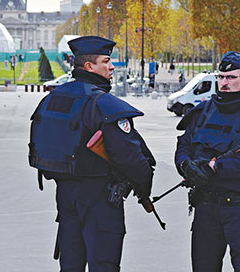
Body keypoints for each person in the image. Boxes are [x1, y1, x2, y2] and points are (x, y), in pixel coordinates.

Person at [29, 36, 155, 271]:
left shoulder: (52, 99)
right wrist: (144, 186)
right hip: (100, 197)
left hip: (65, 194)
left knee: (71, 264)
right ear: (89, 67)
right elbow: (129, 157)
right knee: (104, 264)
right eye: (106, 61)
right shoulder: (102, 104)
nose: (111, 67)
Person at [174, 51, 240, 272]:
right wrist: (185, 165)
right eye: (221, 77)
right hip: (205, 207)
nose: (225, 82)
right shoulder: (203, 111)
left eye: (231, 77)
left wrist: (216, 168)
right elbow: (184, 144)